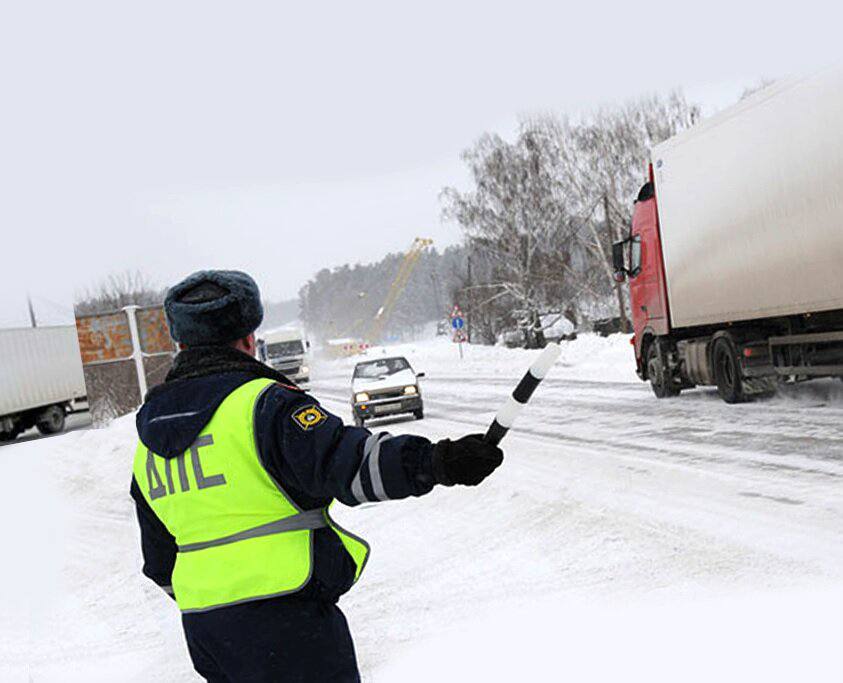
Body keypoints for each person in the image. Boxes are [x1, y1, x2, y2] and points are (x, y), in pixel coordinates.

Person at [130, 270, 504, 682]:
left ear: (180, 344)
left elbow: (159, 560)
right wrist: (441, 461)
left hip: (208, 634)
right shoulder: (264, 406)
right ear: (249, 340)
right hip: (289, 621)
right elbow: (351, 464)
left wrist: (211, 599)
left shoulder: (147, 443)